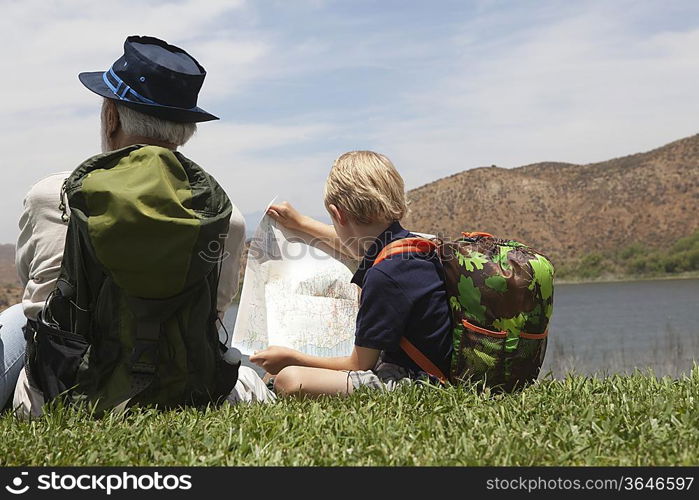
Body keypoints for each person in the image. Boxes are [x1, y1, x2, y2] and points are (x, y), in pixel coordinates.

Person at [0, 35, 271, 416]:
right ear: (186, 130)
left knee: (13, 317)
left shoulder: (51, 195)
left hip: (60, 396)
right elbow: (213, 312)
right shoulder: (227, 217)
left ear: (111, 116)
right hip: (184, 393)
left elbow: (38, 295)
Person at [250, 150, 453, 397]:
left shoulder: (384, 274)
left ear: (338, 214)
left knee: (290, 379)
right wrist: (301, 223)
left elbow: (359, 365)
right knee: (283, 373)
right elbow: (353, 244)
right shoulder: (413, 247)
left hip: (419, 381)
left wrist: (292, 357)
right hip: (430, 368)